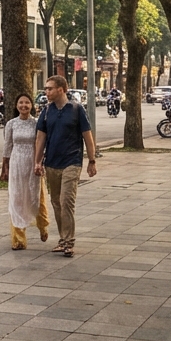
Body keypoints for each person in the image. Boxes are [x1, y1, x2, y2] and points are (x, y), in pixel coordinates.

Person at [33, 75, 98, 258]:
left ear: (61, 89)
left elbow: (87, 136)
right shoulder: (46, 112)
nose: (46, 92)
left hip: (72, 162)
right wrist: (37, 162)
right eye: (46, 88)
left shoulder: (77, 110)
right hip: (52, 163)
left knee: (66, 201)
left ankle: (69, 242)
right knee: (56, 203)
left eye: (49, 88)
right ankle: (63, 239)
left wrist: (91, 160)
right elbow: (40, 139)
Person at [0, 94, 50, 250]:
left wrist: (39, 162)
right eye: (20, 102)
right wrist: (5, 168)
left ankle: (43, 226)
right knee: (17, 198)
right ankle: (19, 239)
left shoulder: (37, 123)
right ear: (16, 105)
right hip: (16, 164)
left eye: (27, 102)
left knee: (36, 196)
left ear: (31, 105)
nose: (24, 105)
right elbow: (7, 146)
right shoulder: (11, 124)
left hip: (33, 163)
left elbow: (42, 144)